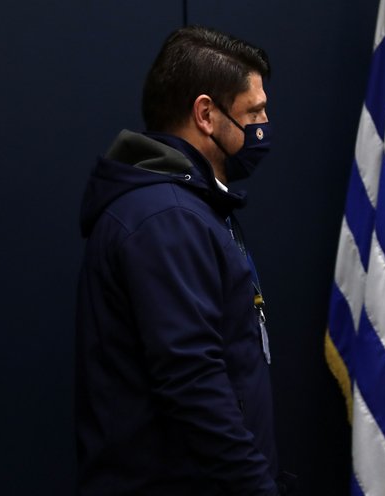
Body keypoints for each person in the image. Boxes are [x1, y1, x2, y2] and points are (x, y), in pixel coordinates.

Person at [75, 26, 294, 495]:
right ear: (206, 114)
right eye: (253, 112)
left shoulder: (190, 207)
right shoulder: (166, 218)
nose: (264, 124)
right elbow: (192, 382)